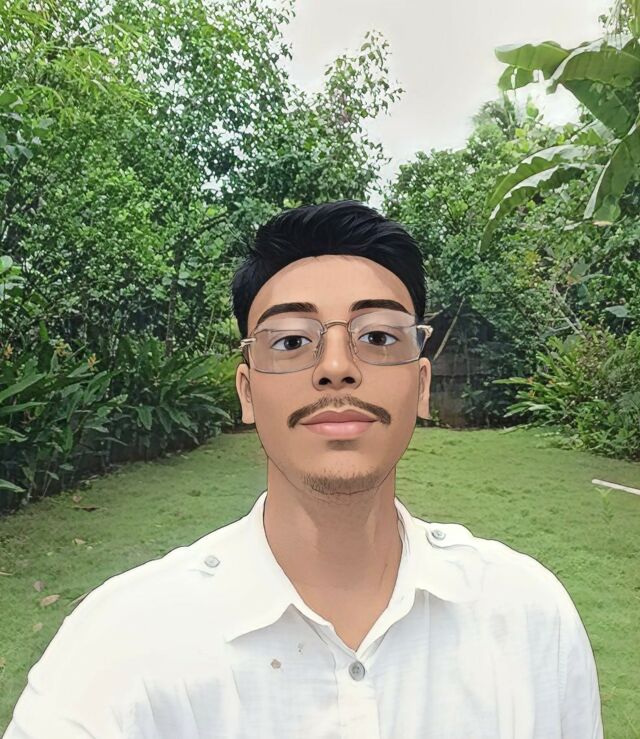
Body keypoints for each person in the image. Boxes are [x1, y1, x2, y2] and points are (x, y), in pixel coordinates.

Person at [4, 200, 603, 738]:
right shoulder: (120, 649)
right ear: (247, 391)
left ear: (421, 385)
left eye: (378, 336)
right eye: (291, 341)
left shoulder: (527, 620)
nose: (336, 367)